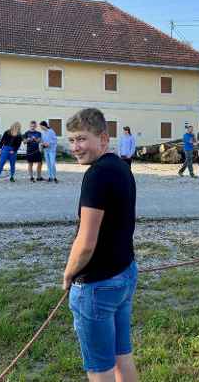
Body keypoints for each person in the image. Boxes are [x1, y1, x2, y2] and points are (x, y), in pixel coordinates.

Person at [63, 108, 139, 382]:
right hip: (125, 274)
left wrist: (69, 273)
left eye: (81, 139)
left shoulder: (96, 175)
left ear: (103, 139)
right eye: (71, 140)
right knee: (122, 357)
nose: (75, 147)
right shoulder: (121, 167)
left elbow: (85, 242)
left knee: (100, 369)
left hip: (96, 286)